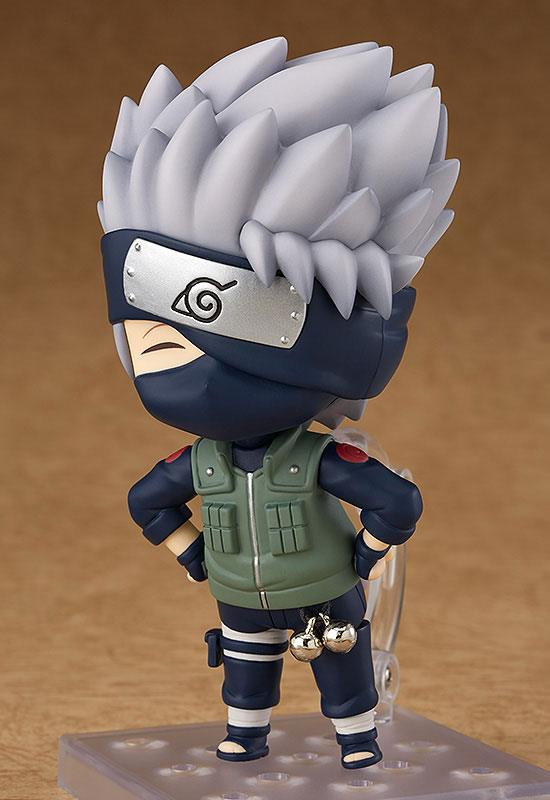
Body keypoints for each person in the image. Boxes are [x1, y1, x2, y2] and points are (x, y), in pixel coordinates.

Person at [99, 37, 458, 769]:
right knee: (244, 669)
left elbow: (396, 500)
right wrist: (196, 557)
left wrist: (364, 556)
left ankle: (357, 740)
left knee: (343, 675)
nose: (156, 366)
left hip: (325, 594)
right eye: (146, 343)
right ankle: (245, 733)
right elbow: (146, 502)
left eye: (174, 343)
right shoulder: (203, 461)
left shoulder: (317, 458)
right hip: (240, 596)